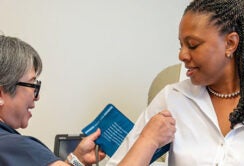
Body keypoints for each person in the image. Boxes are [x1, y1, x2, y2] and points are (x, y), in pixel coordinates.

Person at [107, 0, 244, 165]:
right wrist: (148, 140)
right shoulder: (172, 98)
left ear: (230, 43)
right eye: (181, 46)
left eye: (192, 45)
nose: (182, 55)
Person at [0, 35, 176, 166]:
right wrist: (149, 140)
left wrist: (75, 160)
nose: (36, 96)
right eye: (32, 85)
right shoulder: (13, 146)